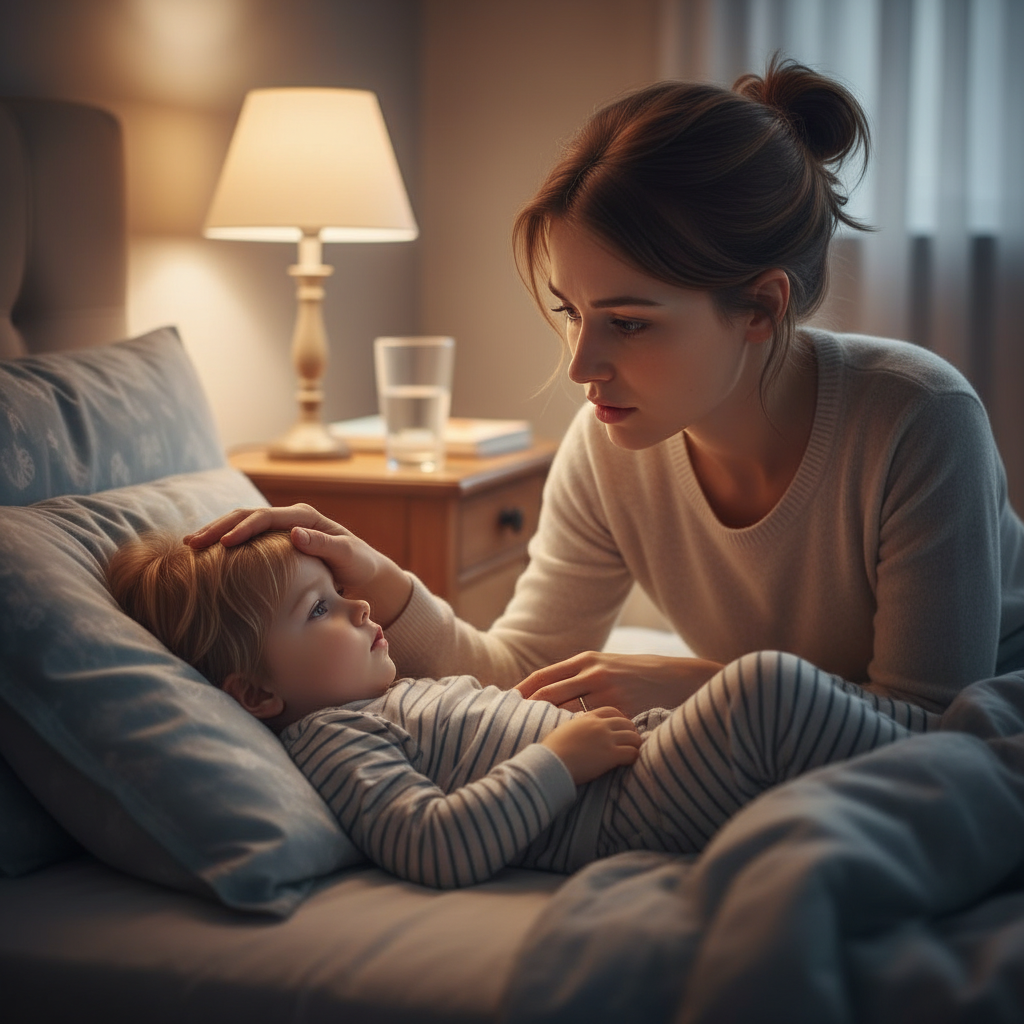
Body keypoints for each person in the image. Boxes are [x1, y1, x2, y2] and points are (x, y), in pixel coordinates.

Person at [187, 56, 1024, 726]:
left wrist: (700, 686)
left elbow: (933, 726)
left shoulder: (918, 419)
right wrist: (379, 574)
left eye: (628, 322)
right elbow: (521, 673)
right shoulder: (612, 444)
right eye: (572, 312)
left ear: (761, 308)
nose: (583, 365)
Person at [106, 531, 929, 888]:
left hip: (633, 762)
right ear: (255, 694)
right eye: (319, 611)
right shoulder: (330, 739)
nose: (360, 612)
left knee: (771, 708)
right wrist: (560, 760)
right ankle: (948, 755)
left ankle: (946, 751)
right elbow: (431, 844)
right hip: (616, 809)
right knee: (764, 690)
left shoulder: (378, 696)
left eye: (341, 594)